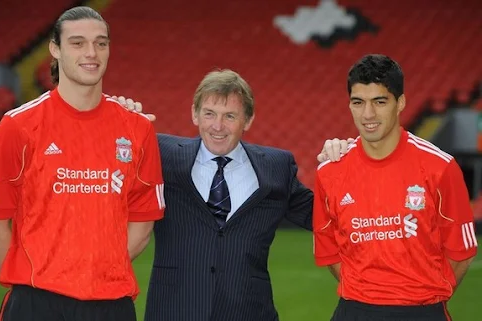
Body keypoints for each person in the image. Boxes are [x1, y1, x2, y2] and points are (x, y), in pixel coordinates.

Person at [0, 6, 164, 321]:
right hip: (36, 301)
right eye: (77, 43)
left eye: (101, 43)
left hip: (110, 302)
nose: (92, 52)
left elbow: (142, 223)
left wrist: (96, 272)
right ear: (55, 49)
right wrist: (36, 278)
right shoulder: (17, 126)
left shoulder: (138, 129)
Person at [117, 68, 345, 321]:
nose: (218, 126)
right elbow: (105, 166)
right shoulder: (162, 154)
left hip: (249, 312)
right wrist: (115, 114)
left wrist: (345, 162)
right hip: (175, 311)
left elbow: (328, 214)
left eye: (230, 116)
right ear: (195, 114)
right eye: (209, 114)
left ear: (248, 120)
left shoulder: (276, 167)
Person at [313, 54, 478, 321]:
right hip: (354, 310)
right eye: (358, 102)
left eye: (380, 102)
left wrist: (421, 296)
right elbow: (329, 248)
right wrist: (369, 293)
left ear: (400, 103)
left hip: (422, 310)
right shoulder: (329, 172)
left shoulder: (440, 167)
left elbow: (462, 253)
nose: (368, 114)